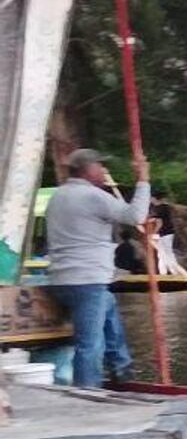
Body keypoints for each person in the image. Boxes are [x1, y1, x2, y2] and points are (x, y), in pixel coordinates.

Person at [44, 148, 149, 388]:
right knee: (90, 343)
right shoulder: (93, 196)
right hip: (86, 280)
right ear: (87, 170)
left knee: (109, 308)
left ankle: (122, 370)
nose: (104, 171)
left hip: (61, 280)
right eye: (100, 166)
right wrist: (143, 180)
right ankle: (88, 394)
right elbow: (136, 216)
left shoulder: (58, 196)